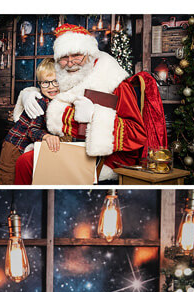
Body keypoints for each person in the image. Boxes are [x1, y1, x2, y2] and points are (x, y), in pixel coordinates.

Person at [12, 24, 166, 185]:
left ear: (89, 54)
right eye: (64, 57)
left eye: (77, 55)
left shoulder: (114, 82)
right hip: (71, 148)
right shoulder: (69, 77)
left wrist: (94, 117)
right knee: (24, 161)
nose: (70, 63)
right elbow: (49, 89)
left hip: (103, 160)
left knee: (27, 163)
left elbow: (137, 135)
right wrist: (27, 94)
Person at [0, 58, 60, 184]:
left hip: (26, 147)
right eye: (45, 83)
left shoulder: (55, 102)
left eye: (55, 81)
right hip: (15, 146)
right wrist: (46, 136)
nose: (51, 87)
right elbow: (32, 130)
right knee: (8, 179)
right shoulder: (39, 101)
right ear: (39, 84)